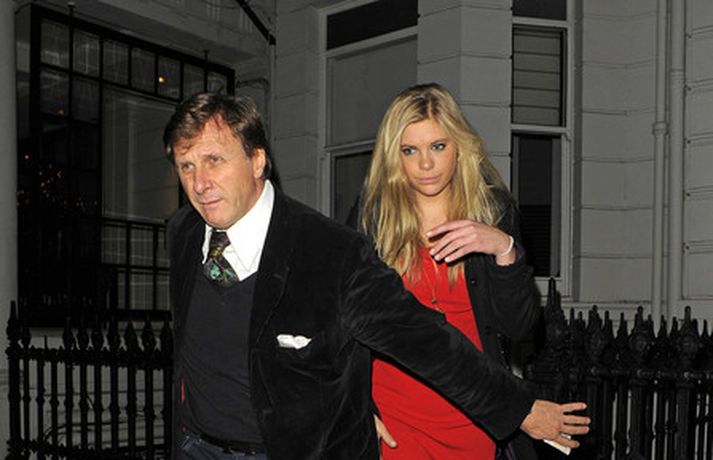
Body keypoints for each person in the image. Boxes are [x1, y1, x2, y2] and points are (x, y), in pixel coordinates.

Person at [163, 92, 589, 460]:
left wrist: (518, 408)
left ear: (257, 160)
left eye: (214, 160)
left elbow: (425, 338)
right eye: (186, 166)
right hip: (195, 445)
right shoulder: (183, 232)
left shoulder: (329, 249)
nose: (199, 183)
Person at [349, 83, 542, 459]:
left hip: (475, 415)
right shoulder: (373, 218)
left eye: (438, 146)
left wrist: (502, 247)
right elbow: (344, 323)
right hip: (394, 420)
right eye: (409, 150)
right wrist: (359, 407)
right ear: (394, 155)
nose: (425, 164)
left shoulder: (493, 210)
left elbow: (519, 328)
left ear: (459, 146)